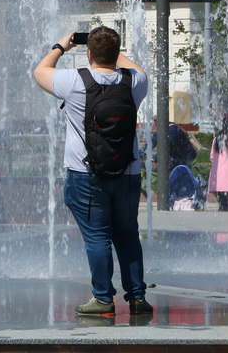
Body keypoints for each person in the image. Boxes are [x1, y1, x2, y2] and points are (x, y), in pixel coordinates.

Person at [33, 26, 152, 317]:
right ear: (116, 52)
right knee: (128, 235)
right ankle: (137, 298)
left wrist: (62, 46)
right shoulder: (133, 81)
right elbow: (140, 70)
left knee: (98, 237)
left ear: (89, 53)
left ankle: (103, 300)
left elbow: (40, 70)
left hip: (86, 173)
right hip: (128, 172)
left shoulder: (74, 80)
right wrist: (112, 50)